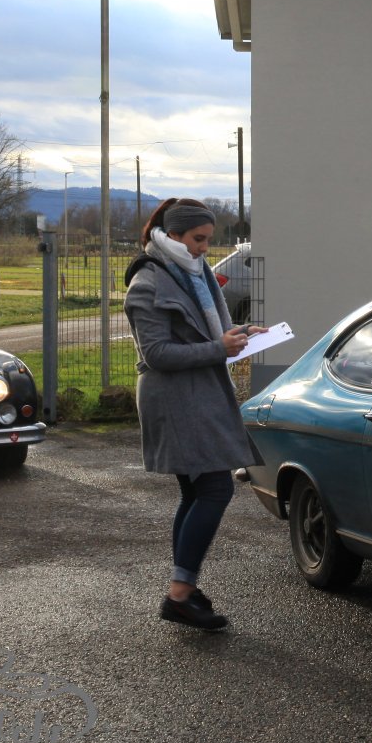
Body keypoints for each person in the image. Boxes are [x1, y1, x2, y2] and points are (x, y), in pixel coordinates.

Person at [124, 197, 267, 631]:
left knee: (196, 492)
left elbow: (203, 334)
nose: (205, 248)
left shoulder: (192, 272)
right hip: (174, 399)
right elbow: (157, 353)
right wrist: (218, 348)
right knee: (215, 489)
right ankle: (179, 593)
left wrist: (240, 334)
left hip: (199, 393)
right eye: (198, 239)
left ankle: (183, 589)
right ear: (173, 235)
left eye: (208, 239)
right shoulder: (148, 282)